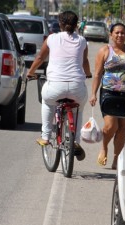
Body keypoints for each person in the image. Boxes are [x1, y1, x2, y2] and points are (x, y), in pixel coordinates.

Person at [27, 10, 92, 161]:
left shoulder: (51, 38)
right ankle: (75, 140)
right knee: (78, 110)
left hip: (55, 86)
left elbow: (40, 57)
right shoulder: (82, 41)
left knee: (47, 102)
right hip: (77, 87)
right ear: (77, 25)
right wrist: (87, 74)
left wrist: (30, 72)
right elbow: (84, 62)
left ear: (60, 24)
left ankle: (45, 136)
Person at [89, 23, 125, 170]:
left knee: (122, 127)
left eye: (123, 33)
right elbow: (98, 74)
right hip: (109, 93)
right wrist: (93, 93)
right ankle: (104, 147)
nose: (120, 35)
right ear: (111, 34)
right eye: (117, 33)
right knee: (110, 126)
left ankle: (116, 159)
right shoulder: (105, 51)